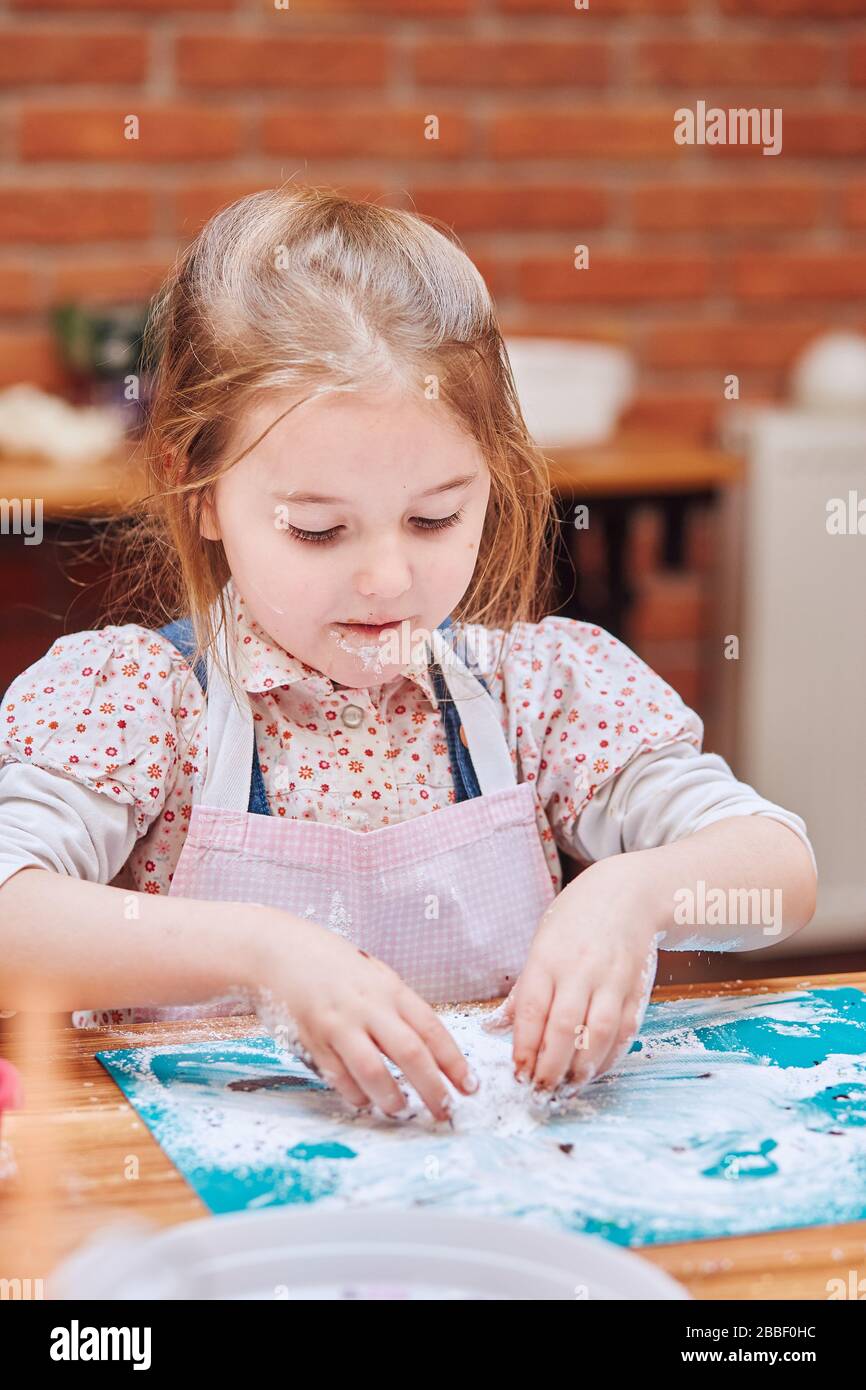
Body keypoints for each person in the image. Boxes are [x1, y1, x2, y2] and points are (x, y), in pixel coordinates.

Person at [0, 186, 817, 1122]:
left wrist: (636, 893)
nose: (388, 579)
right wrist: (266, 951)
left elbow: (781, 877)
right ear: (199, 491)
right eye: (317, 530)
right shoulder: (142, 703)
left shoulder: (538, 690)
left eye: (435, 517)